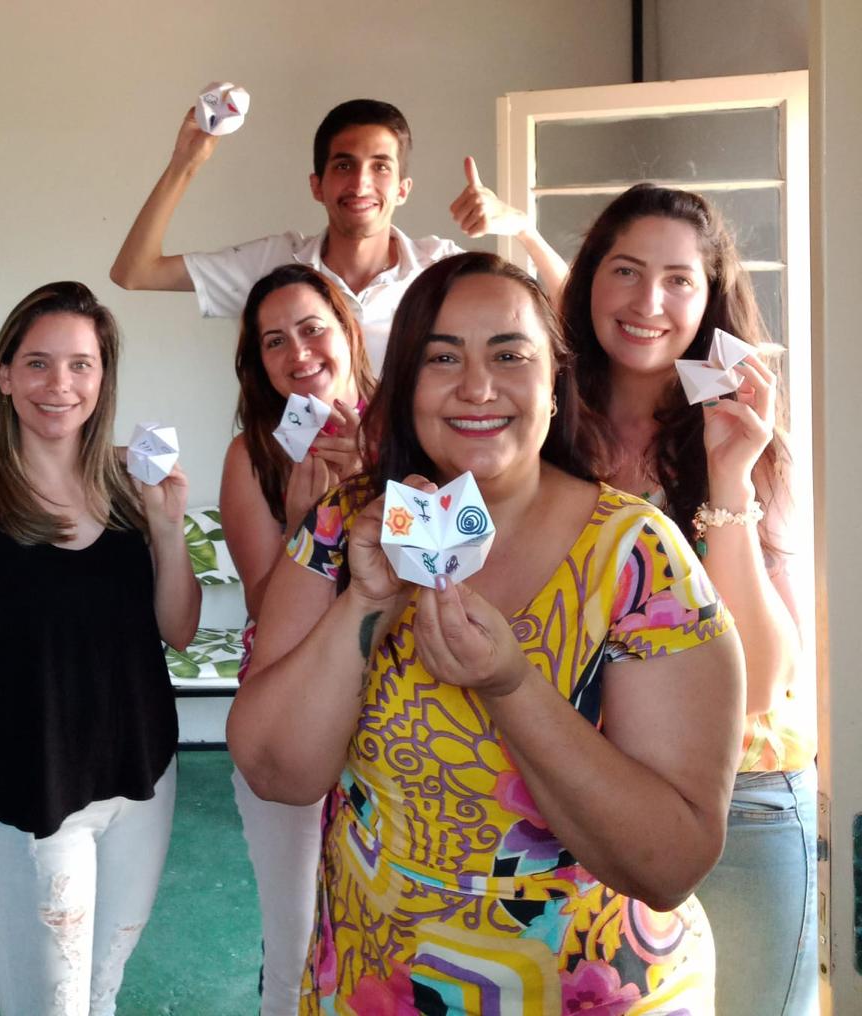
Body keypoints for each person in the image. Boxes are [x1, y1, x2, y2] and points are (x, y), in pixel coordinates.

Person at [227, 251, 745, 1013]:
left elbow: (669, 863)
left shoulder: (638, 557)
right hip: (378, 979)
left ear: (555, 382)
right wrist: (364, 603)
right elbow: (276, 772)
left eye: (509, 355)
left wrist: (510, 684)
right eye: (442, 358)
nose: (476, 387)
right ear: (406, 385)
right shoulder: (346, 526)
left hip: (589, 987)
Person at [0, 282, 201, 1016]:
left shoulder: (132, 484)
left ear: (103, 378)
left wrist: (167, 526)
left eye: (81, 365)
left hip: (142, 782)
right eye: (38, 363)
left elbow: (179, 631)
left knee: (103, 993)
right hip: (30, 798)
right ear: (4, 376)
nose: (60, 384)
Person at [548, 183, 818, 1015]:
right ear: (589, 278)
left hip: (743, 795)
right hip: (581, 790)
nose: (648, 303)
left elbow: (763, 679)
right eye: (626, 271)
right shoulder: (543, 426)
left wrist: (728, 476)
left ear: (708, 301)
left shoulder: (748, 435)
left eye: (678, 280)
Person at [110, 97, 566, 368]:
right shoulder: (276, 265)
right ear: (317, 185)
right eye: (344, 165)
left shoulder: (439, 268)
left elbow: (568, 309)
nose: (361, 184)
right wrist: (185, 163)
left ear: (402, 189)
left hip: (415, 485)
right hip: (302, 483)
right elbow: (135, 271)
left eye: (380, 167)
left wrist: (523, 227)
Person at [220, 263, 376, 1015]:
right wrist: (302, 527)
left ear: (348, 333)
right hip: (288, 702)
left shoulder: (411, 430)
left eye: (312, 329)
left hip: (396, 708)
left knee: (386, 927)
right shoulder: (254, 452)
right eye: (274, 341)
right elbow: (262, 603)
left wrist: (378, 483)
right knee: (296, 936)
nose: (298, 352)